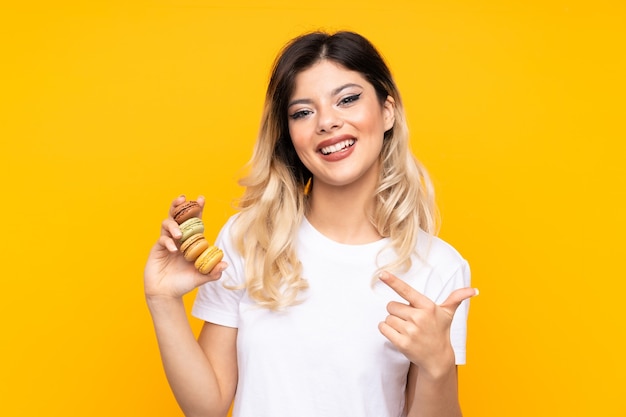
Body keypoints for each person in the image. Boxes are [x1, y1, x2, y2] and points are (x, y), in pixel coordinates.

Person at [144, 30, 477, 417]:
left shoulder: (438, 266)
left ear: (387, 111)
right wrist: (163, 300)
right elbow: (208, 407)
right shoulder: (249, 238)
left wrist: (438, 368)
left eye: (348, 99)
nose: (327, 122)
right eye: (303, 112)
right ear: (290, 134)